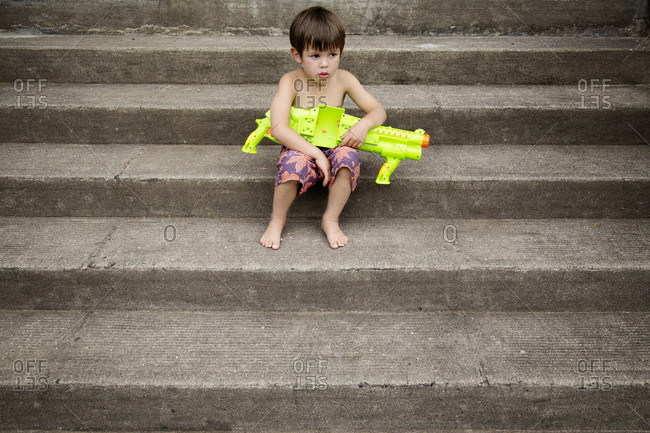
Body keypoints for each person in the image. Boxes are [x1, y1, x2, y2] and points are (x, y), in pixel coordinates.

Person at [260, 6, 386, 250]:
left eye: (333, 55)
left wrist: (364, 125)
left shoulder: (345, 79)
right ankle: (277, 219)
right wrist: (316, 154)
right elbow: (278, 128)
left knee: (349, 158)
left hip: (334, 144)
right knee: (292, 164)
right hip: (301, 146)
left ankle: (330, 218)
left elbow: (378, 111)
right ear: (297, 55)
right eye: (315, 56)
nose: (325, 64)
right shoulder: (290, 81)